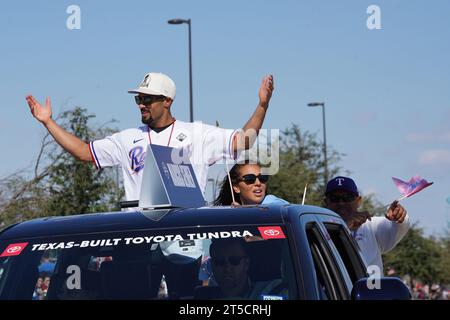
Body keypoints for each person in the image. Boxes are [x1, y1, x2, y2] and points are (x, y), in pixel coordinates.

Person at [26, 72, 274, 201]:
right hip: (139, 234)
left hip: (182, 236)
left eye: (147, 99)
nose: (141, 104)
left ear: (167, 101)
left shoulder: (197, 133)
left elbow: (243, 140)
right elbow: (84, 151)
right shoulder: (127, 139)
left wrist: (262, 105)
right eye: (139, 99)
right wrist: (48, 122)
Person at [324, 176, 410, 275]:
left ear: (358, 201)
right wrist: (345, 226)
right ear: (326, 202)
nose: (341, 203)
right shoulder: (315, 227)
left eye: (347, 198)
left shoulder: (371, 226)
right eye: (334, 198)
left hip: (370, 289)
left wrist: (398, 216)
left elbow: (397, 227)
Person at [208, 238, 285, 299]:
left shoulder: (273, 290)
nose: (227, 268)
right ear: (212, 265)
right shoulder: (200, 296)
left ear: (246, 264)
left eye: (235, 261)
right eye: (219, 261)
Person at [213, 163, 288, 206]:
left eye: (262, 178)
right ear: (236, 187)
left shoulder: (273, 203)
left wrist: (243, 213)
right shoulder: (228, 215)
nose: (258, 183)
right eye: (250, 179)